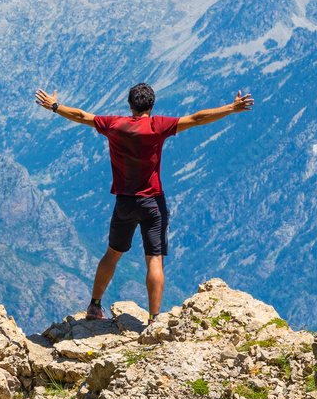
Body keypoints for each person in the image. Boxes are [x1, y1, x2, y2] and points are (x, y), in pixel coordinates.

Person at [33, 83, 253, 322]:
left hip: (124, 202)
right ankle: (154, 319)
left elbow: (81, 115)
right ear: (152, 105)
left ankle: (94, 306)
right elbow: (198, 118)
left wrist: (55, 106)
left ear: (130, 105)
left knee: (112, 253)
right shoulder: (158, 126)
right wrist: (232, 108)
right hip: (153, 204)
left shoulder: (114, 125)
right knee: (154, 259)